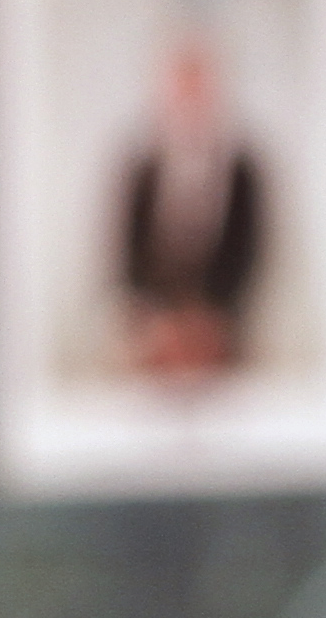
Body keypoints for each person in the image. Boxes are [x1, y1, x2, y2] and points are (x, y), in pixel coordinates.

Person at [112, 32, 267, 381]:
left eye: (198, 85)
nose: (190, 97)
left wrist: (214, 320)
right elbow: (127, 252)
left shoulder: (243, 171)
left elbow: (252, 249)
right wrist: (158, 321)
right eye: (182, 86)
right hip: (156, 339)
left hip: (224, 339)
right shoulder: (141, 171)